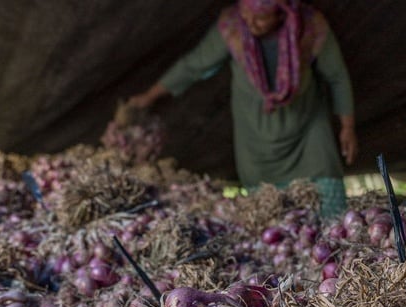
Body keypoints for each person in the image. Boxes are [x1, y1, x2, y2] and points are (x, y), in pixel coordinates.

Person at [129, 0, 357, 218]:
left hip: (308, 134)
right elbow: (193, 65)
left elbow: (337, 77)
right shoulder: (232, 26)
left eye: (260, 18)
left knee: (330, 216)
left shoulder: (310, 27)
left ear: (281, 13)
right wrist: (149, 96)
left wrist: (347, 126)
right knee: (277, 227)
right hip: (256, 145)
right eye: (246, 14)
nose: (250, 22)